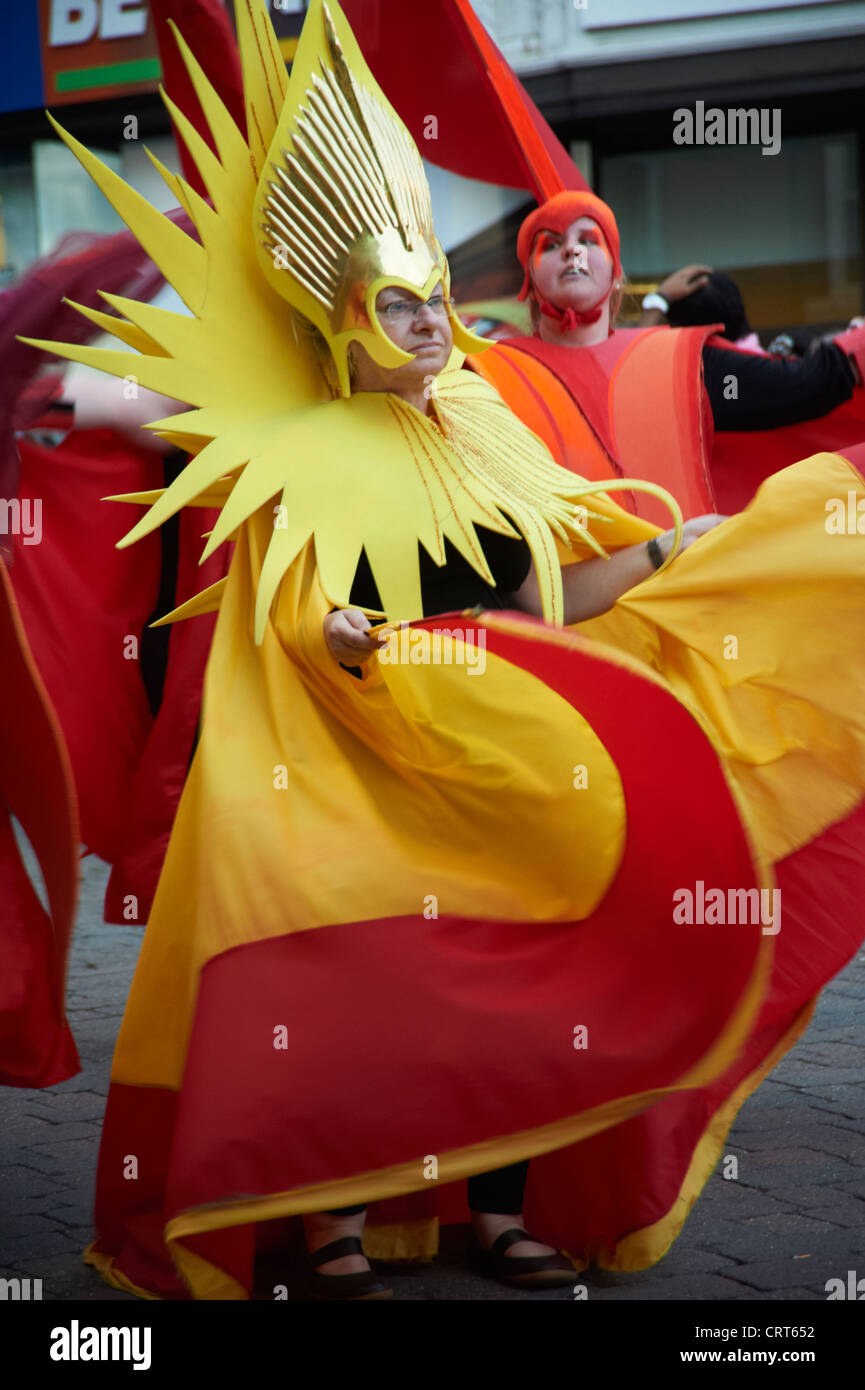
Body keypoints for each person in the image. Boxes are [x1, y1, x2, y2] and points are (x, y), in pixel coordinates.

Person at [30, 0, 865, 1301]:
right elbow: (288, 606)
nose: (432, 323)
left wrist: (674, 548)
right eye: (402, 302)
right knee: (365, 987)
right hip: (362, 754)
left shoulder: (487, 423)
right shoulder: (306, 448)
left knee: (523, 989)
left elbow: (560, 587)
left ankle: (498, 1206)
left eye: (438, 298)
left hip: (514, 750)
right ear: (349, 317)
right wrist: (345, 631)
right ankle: (332, 1223)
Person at [471, 191, 865, 517]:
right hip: (554, 605)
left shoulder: (683, 361)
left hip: (678, 595)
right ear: (530, 281)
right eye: (551, 244)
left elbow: (804, 386)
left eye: (589, 240)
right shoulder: (486, 375)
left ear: (615, 276)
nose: (572, 250)